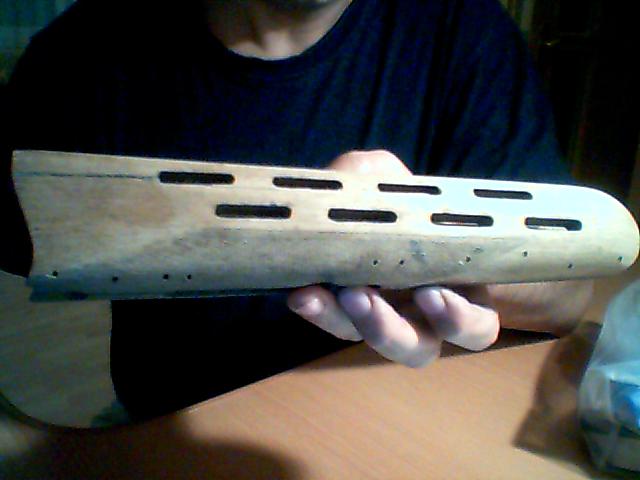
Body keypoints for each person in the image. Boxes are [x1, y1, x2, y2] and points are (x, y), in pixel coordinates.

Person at [1, 0, 593, 420]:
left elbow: (570, 290)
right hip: (162, 429)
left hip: (399, 419)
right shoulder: (87, 50)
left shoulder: (462, 28)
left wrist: (414, 249)